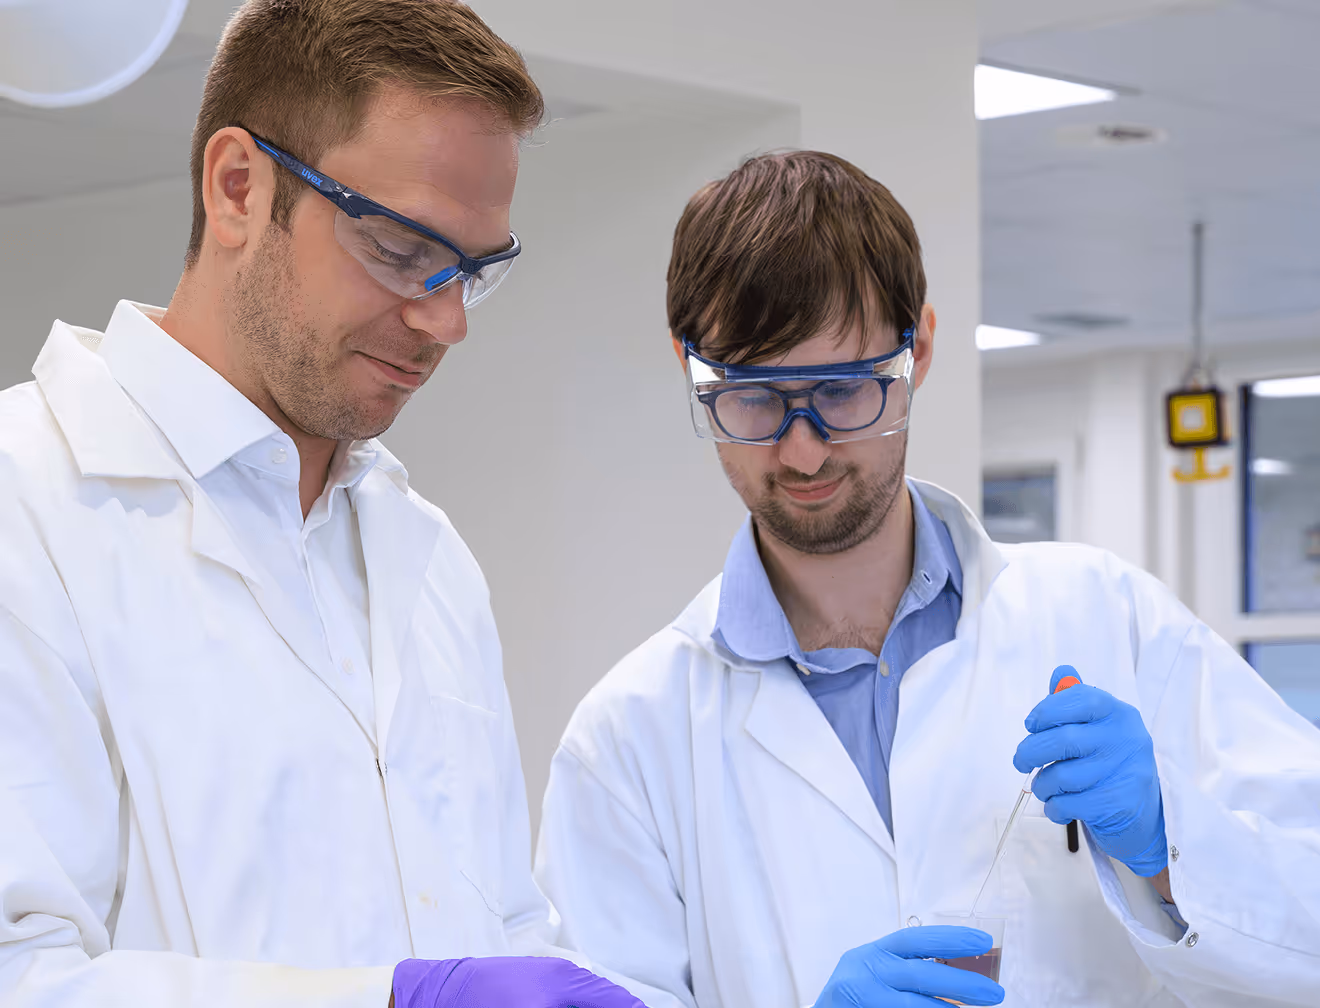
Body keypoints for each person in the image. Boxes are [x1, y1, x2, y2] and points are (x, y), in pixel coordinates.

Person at [535, 151, 1320, 1007]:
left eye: (842, 390)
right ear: (690, 365)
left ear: (922, 348)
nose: (802, 449)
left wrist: (1172, 847)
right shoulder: (628, 740)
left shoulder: (1106, 619)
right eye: (754, 397)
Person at [0, 3, 647, 1007]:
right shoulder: (26, 505)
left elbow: (499, 929)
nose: (442, 322)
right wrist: (389, 999)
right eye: (399, 247)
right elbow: (21, 976)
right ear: (238, 189)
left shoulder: (426, 557)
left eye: (473, 272)